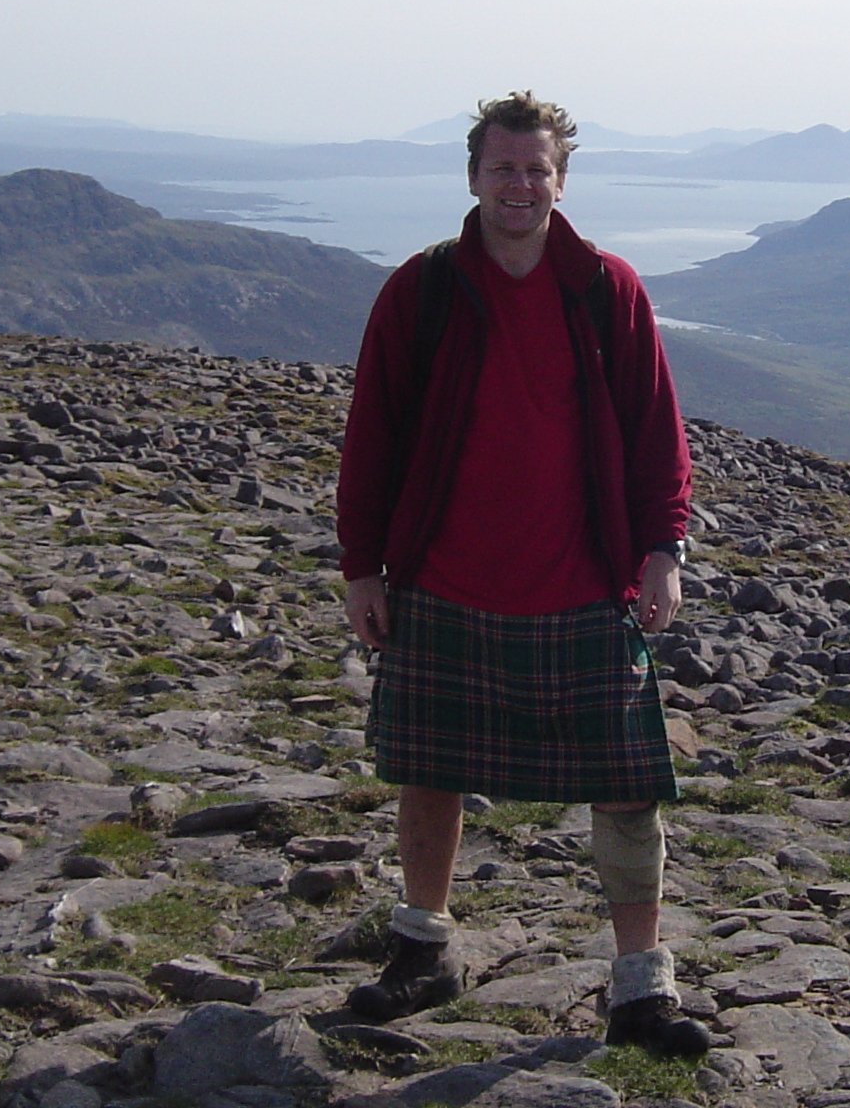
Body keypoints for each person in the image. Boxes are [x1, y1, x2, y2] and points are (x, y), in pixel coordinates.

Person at [334, 91, 707, 1056]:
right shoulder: (421, 292)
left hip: (585, 585)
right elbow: (370, 438)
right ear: (472, 177)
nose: (520, 185)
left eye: (537, 169)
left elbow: (656, 432)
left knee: (626, 786)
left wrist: (662, 550)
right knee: (429, 770)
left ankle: (639, 990)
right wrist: (361, 570)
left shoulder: (607, 289)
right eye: (504, 168)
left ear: (561, 179)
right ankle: (423, 951)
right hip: (445, 581)